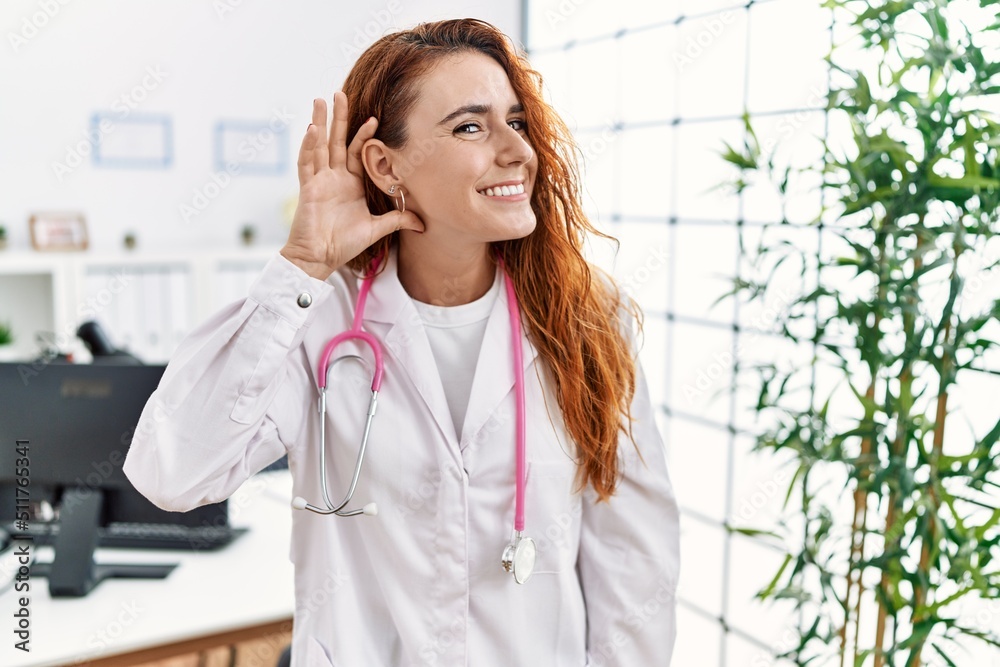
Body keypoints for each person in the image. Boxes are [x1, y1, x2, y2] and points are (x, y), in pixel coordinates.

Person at [124, 17, 679, 667]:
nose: (517, 150)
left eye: (517, 121)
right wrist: (302, 263)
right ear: (386, 165)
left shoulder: (586, 317)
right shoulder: (315, 319)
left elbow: (634, 558)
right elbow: (171, 471)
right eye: (471, 126)